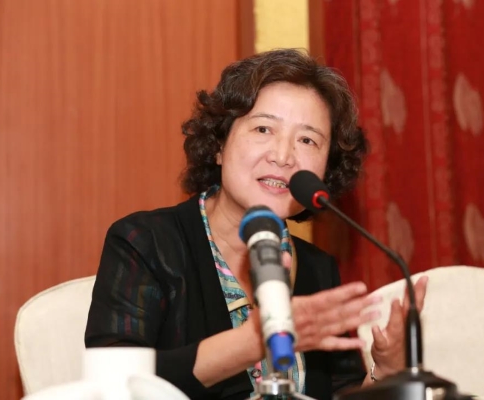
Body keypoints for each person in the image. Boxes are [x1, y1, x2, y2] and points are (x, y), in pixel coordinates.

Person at [85, 48, 428, 400]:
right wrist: (252, 341)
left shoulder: (316, 268)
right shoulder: (147, 243)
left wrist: (386, 371)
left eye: (307, 140)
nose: (283, 156)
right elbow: (113, 384)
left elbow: (340, 393)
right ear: (219, 145)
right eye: (263, 128)